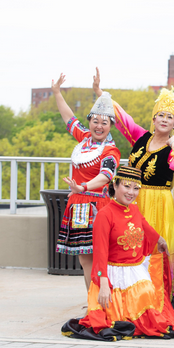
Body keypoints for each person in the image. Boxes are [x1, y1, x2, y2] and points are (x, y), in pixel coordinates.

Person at [61, 166, 174, 340]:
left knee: (148, 296)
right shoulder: (104, 215)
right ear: (115, 185)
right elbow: (101, 252)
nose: (131, 192)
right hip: (112, 273)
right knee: (116, 316)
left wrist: (160, 240)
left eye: (136, 188)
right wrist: (103, 284)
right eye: (127, 186)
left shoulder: (133, 209)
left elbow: (145, 226)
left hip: (135, 269)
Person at [93, 68, 174, 309]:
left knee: (158, 247)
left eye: (170, 117)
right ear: (154, 118)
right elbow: (124, 119)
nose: (164, 119)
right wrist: (101, 94)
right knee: (130, 245)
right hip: (132, 198)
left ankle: (162, 298)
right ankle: (131, 295)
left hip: (158, 202)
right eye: (161, 115)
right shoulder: (141, 137)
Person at [52, 73, 120, 290]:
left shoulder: (110, 150)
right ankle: (92, 298)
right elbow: (68, 118)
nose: (99, 126)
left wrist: (83, 186)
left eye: (105, 123)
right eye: (95, 121)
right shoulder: (84, 139)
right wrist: (57, 93)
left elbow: (106, 176)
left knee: (103, 256)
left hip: (99, 206)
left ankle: (104, 298)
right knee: (84, 258)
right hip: (78, 205)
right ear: (90, 121)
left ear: (111, 126)